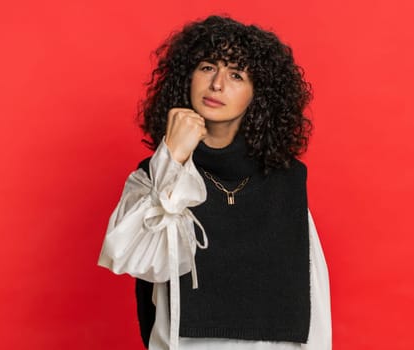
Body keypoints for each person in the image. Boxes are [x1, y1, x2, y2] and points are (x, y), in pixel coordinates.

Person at [98, 15, 331, 350]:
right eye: (208, 67)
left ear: (258, 94)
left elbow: (314, 299)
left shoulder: (287, 181)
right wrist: (172, 157)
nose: (217, 84)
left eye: (236, 74)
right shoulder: (154, 173)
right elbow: (130, 257)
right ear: (188, 75)